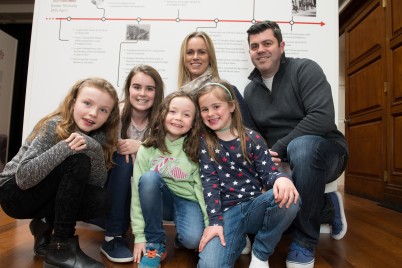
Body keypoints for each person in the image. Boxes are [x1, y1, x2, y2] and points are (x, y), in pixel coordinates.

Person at [244, 20, 349, 268]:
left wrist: (279, 147)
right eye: (254, 46)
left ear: (281, 46)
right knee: (270, 206)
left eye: (267, 43)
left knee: (301, 147)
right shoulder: (250, 91)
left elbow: (322, 118)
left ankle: (304, 241)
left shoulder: (305, 70)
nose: (260, 49)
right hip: (284, 161)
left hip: (326, 151)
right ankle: (326, 207)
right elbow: (257, 136)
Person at [0, 77, 120, 268]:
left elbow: (96, 185)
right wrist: (66, 148)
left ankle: (44, 225)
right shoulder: (53, 126)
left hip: (45, 195)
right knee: (77, 159)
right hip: (13, 193)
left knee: (101, 199)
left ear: (109, 116)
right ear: (73, 103)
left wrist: (94, 147)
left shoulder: (99, 136)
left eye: (103, 110)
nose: (93, 113)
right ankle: (61, 247)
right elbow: (23, 178)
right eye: (87, 103)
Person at [195, 80, 300, 268]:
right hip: (226, 215)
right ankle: (239, 239)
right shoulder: (205, 143)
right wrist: (215, 222)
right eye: (204, 109)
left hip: (254, 207)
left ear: (232, 106)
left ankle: (260, 253)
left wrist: (283, 178)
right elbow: (209, 185)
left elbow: (269, 175)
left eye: (216, 106)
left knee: (289, 196)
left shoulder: (253, 138)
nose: (210, 113)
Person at [130, 91, 208, 268]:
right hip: (160, 201)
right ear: (163, 113)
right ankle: (155, 243)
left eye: (186, 114)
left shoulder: (196, 148)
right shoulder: (148, 147)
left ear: (194, 122)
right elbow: (137, 192)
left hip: (188, 200)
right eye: (173, 112)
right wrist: (139, 236)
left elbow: (202, 190)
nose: (178, 118)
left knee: (192, 241)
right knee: (149, 179)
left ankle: (181, 237)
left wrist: (207, 225)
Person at [99, 65, 165, 263]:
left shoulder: (163, 119)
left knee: (136, 159)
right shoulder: (114, 114)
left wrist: (142, 146)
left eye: (149, 89)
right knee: (124, 157)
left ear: (157, 92)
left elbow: (170, 157)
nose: (142, 94)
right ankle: (113, 236)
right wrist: (123, 148)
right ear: (128, 89)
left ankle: (125, 226)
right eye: (137, 87)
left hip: (137, 193)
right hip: (109, 185)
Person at [178, 31, 256, 130]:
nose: (195, 57)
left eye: (202, 52)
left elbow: (249, 133)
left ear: (210, 57)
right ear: (183, 58)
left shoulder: (228, 91)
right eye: (190, 52)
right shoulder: (180, 97)